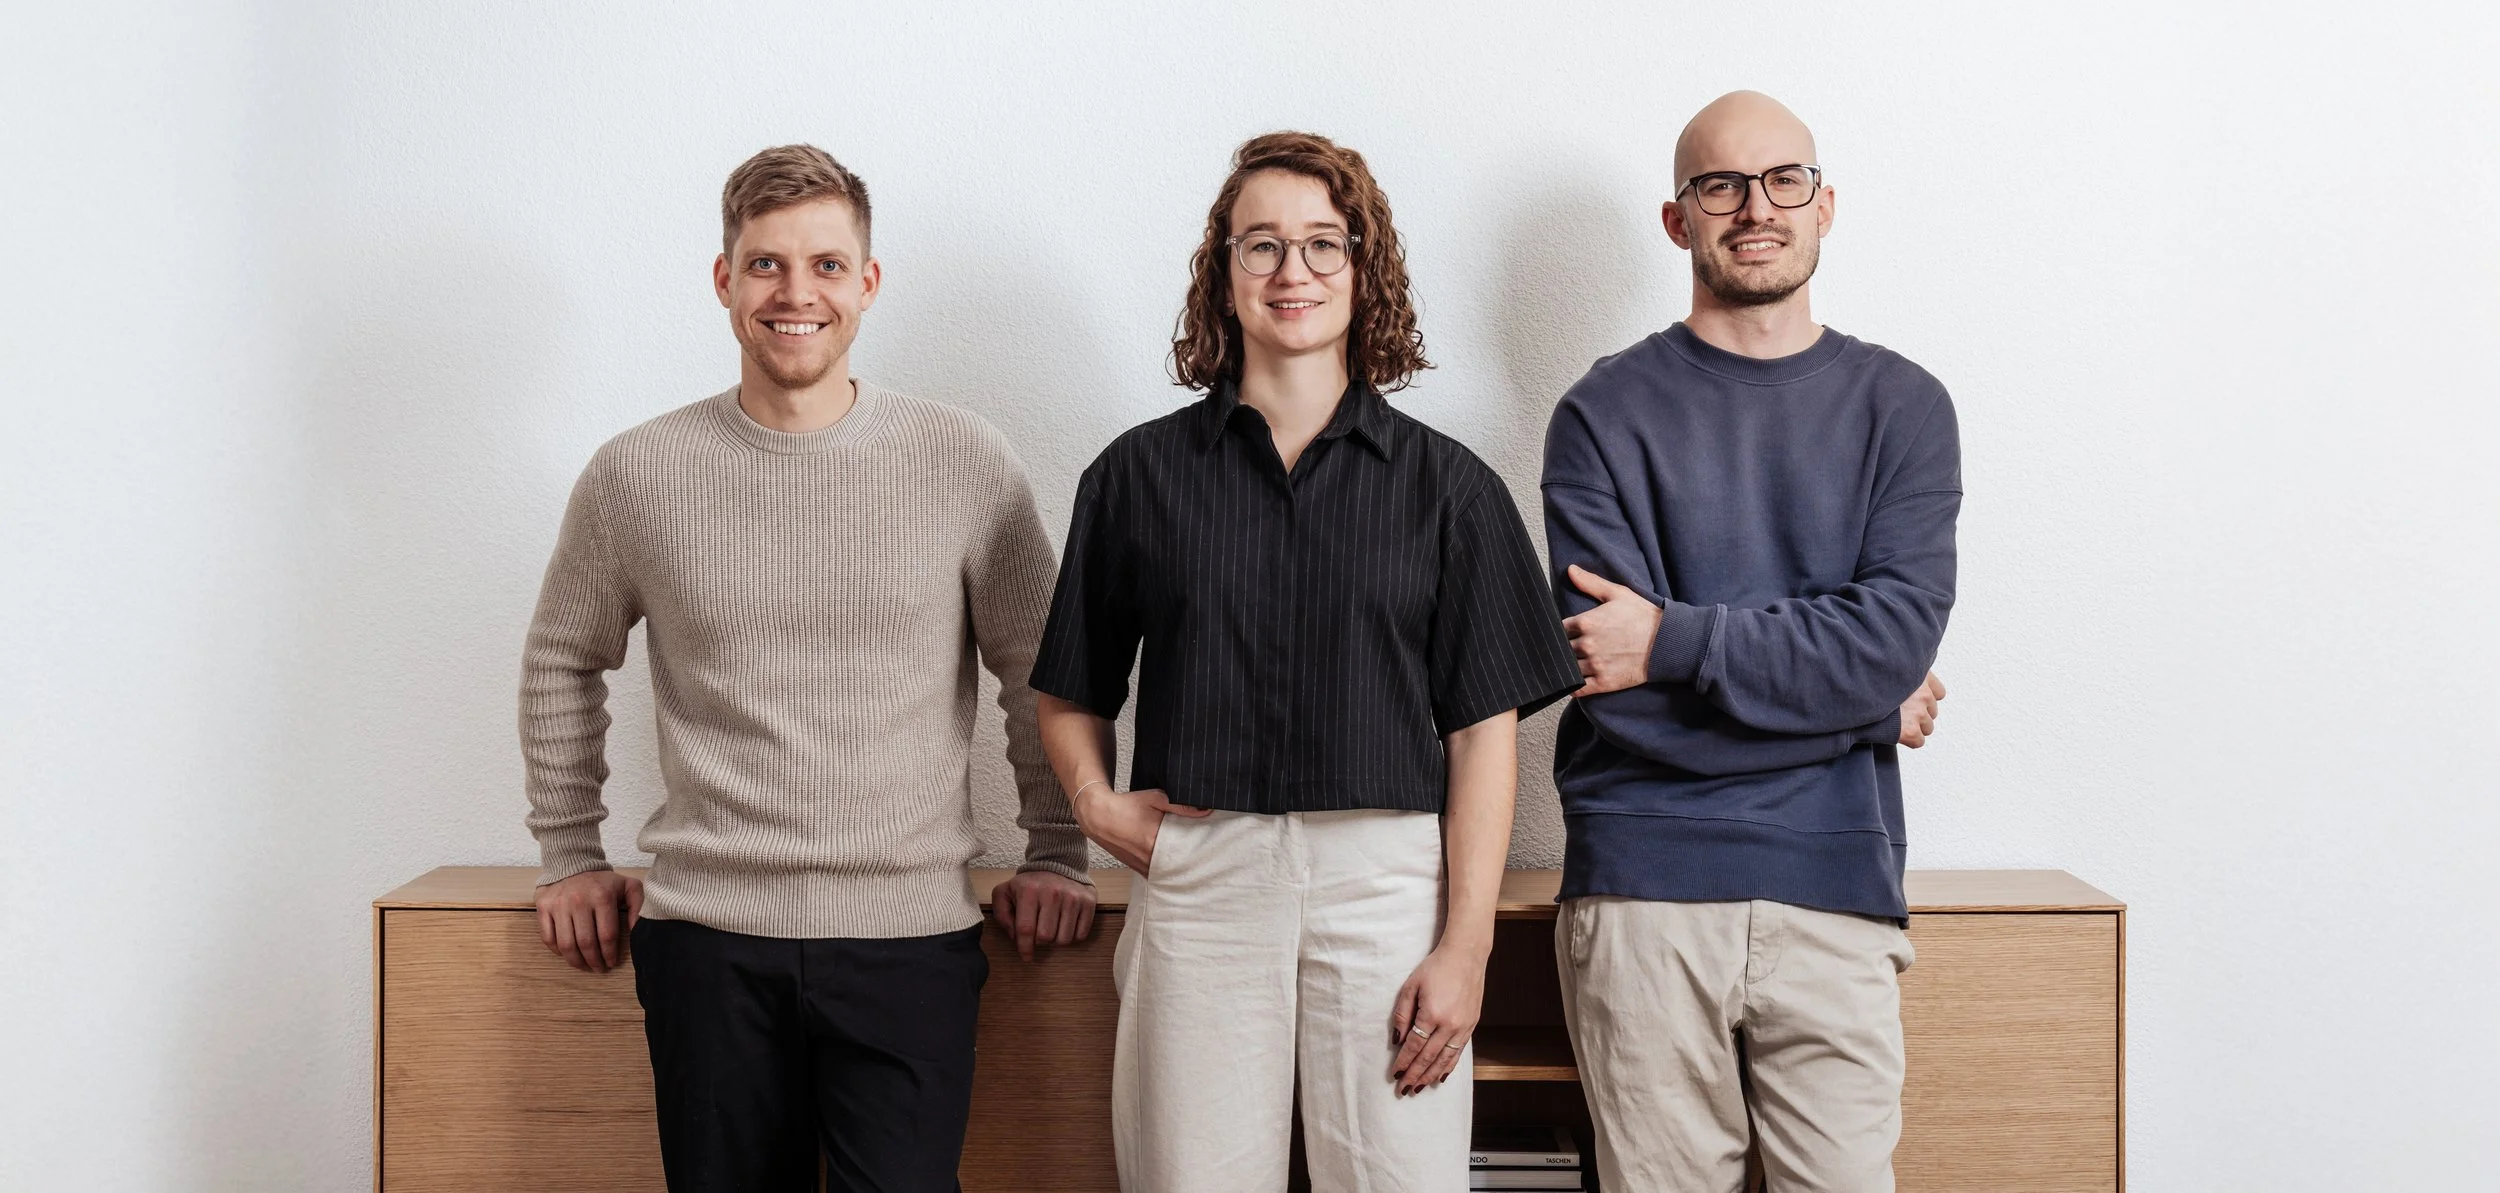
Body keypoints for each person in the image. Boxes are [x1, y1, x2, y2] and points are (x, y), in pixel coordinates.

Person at [518, 144, 1098, 1193]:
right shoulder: (636, 473)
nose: (797, 293)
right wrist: (568, 851)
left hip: (909, 938)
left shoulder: (965, 460)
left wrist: (1057, 847)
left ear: (867, 283)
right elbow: (563, 656)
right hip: (706, 940)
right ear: (724, 279)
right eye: (767, 264)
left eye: (827, 265)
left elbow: (1043, 666)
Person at [1031, 132, 1580, 1193]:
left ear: (1364, 269)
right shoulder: (1137, 477)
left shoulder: (1449, 489)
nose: (1293, 273)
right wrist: (1094, 805)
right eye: (1262, 246)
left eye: (1324, 245)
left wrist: (1464, 948)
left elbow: (1482, 737)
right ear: (1222, 273)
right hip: (1198, 875)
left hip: (1385, 882)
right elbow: (1069, 687)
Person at [1543, 92, 1958, 1192]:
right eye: (1719, 185)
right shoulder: (1601, 413)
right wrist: (1862, 711)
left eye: (1782, 180)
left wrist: (1672, 638)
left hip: (1836, 888)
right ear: (1678, 221)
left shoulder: (1903, 407)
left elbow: (1888, 639)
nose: (1754, 207)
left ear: (1825, 205)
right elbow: (1614, 693)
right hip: (1643, 889)